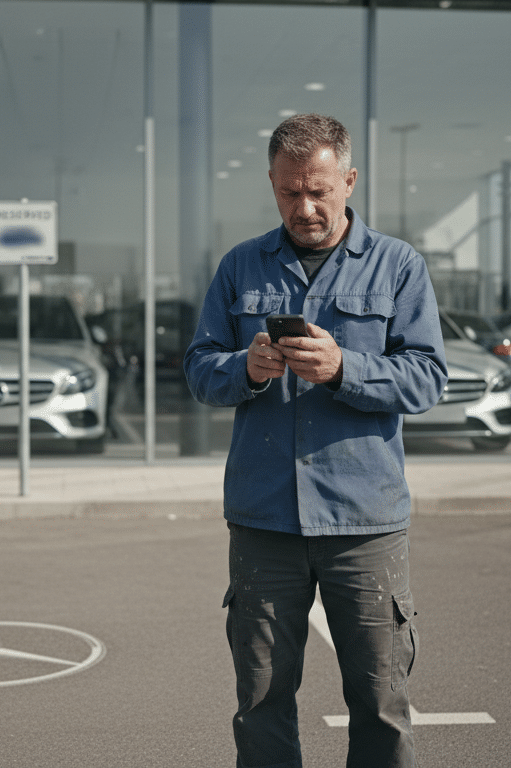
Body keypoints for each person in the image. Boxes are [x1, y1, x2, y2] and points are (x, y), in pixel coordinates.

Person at [183, 113, 447, 768]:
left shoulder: (398, 267)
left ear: (349, 181)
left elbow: (428, 379)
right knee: (263, 700)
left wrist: (343, 369)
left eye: (318, 191)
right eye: (288, 192)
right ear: (272, 185)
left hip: (364, 522)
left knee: (380, 701)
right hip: (265, 520)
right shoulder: (240, 266)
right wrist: (244, 368)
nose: (304, 207)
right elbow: (198, 369)